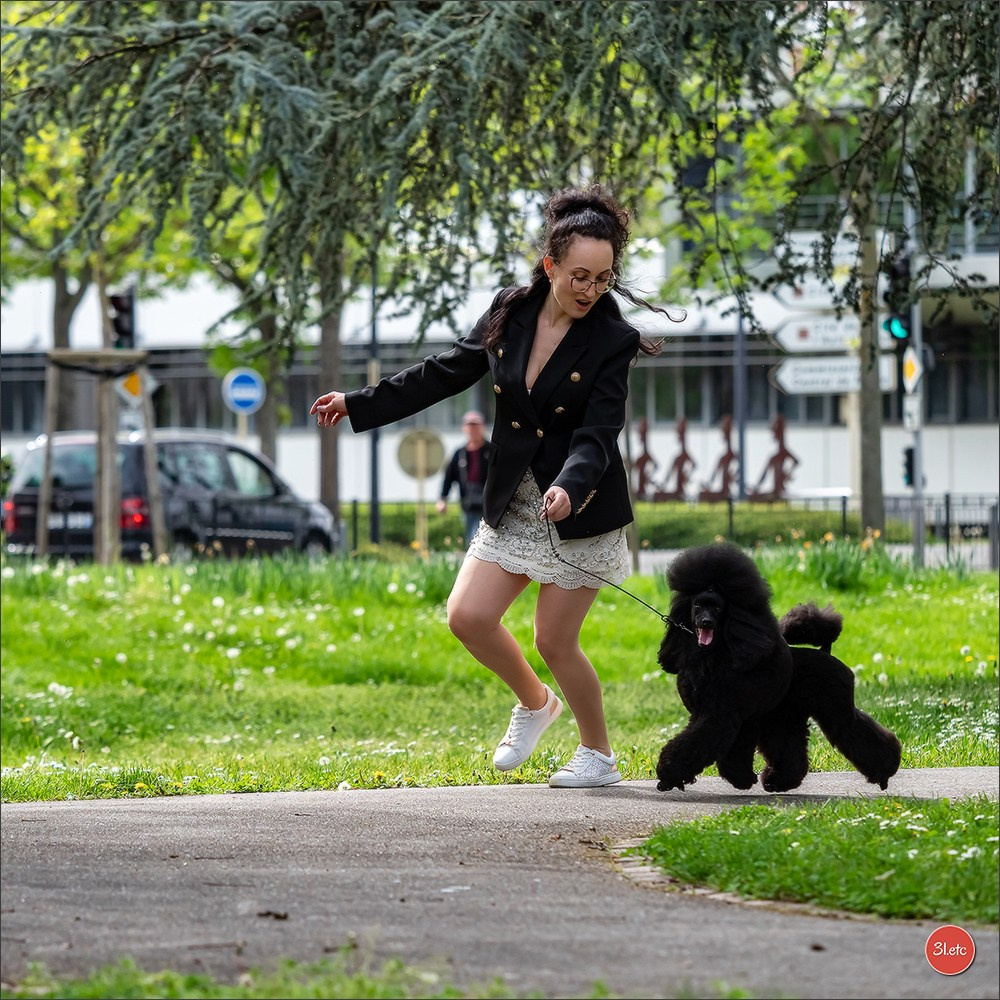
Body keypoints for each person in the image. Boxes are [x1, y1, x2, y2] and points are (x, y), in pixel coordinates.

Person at [311, 184, 679, 788]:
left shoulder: (612, 340)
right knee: (468, 616)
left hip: (578, 504)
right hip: (514, 497)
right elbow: (442, 373)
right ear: (550, 265)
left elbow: (599, 432)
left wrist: (569, 485)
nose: (591, 290)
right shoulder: (509, 312)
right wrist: (359, 403)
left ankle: (598, 756)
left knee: (555, 640)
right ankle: (537, 705)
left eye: (604, 278)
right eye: (579, 276)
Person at [436, 410, 493, 543]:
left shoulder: (491, 451)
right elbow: (448, 478)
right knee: (472, 539)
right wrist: (442, 499)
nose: (473, 429)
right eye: (469, 426)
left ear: (482, 427)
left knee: (485, 539)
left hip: (489, 504)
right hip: (468, 503)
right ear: (464, 428)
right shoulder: (460, 453)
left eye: (476, 425)